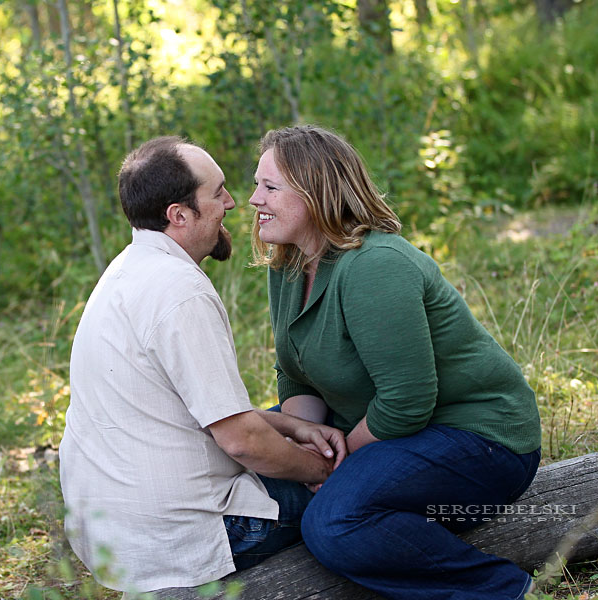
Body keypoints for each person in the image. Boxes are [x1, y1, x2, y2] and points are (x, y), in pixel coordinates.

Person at [248, 124, 542, 600]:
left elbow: (407, 402)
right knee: (250, 456)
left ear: (317, 191)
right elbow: (296, 374)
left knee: (335, 523)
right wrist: (306, 450)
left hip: (478, 437)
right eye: (256, 184)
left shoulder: (375, 266)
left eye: (270, 187)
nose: (254, 199)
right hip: (379, 430)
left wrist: (332, 464)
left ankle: (508, 590)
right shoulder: (288, 264)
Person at [59, 136, 346, 594]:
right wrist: (323, 473)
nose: (233, 204)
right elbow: (242, 442)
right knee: (359, 493)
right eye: (217, 194)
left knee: (297, 430)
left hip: (112, 536)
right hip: (180, 537)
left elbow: (207, 413)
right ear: (179, 215)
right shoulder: (179, 291)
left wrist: (293, 429)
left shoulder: (127, 269)